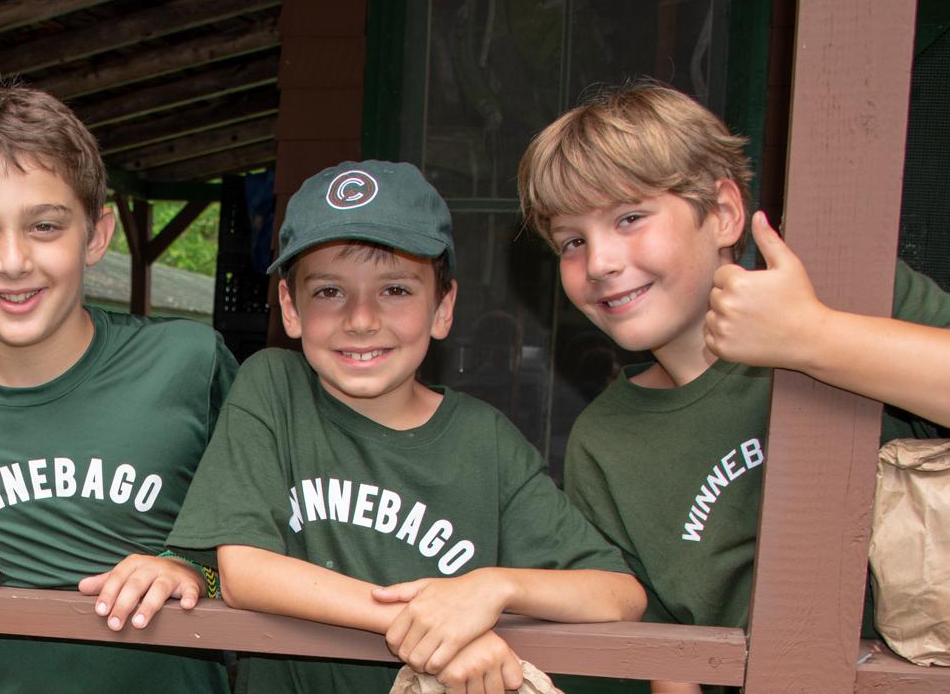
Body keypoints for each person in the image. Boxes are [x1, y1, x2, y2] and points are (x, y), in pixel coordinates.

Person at [516, 80, 950, 693]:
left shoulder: (844, 300)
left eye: (630, 218)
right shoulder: (606, 440)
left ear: (725, 212)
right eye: (572, 241)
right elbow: (666, 658)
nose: (599, 261)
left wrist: (815, 337)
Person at [166, 160, 645, 694]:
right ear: (290, 307)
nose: (362, 318)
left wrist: (491, 590)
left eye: (395, 290)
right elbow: (245, 571)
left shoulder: (484, 440)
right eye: (329, 291)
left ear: (443, 308)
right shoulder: (275, 388)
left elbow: (620, 595)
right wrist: (433, 622)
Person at [0, 79, 238, 693]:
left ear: (97, 235)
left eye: (45, 226)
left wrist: (190, 566)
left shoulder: (188, 360)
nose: (13, 261)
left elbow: (267, 514)